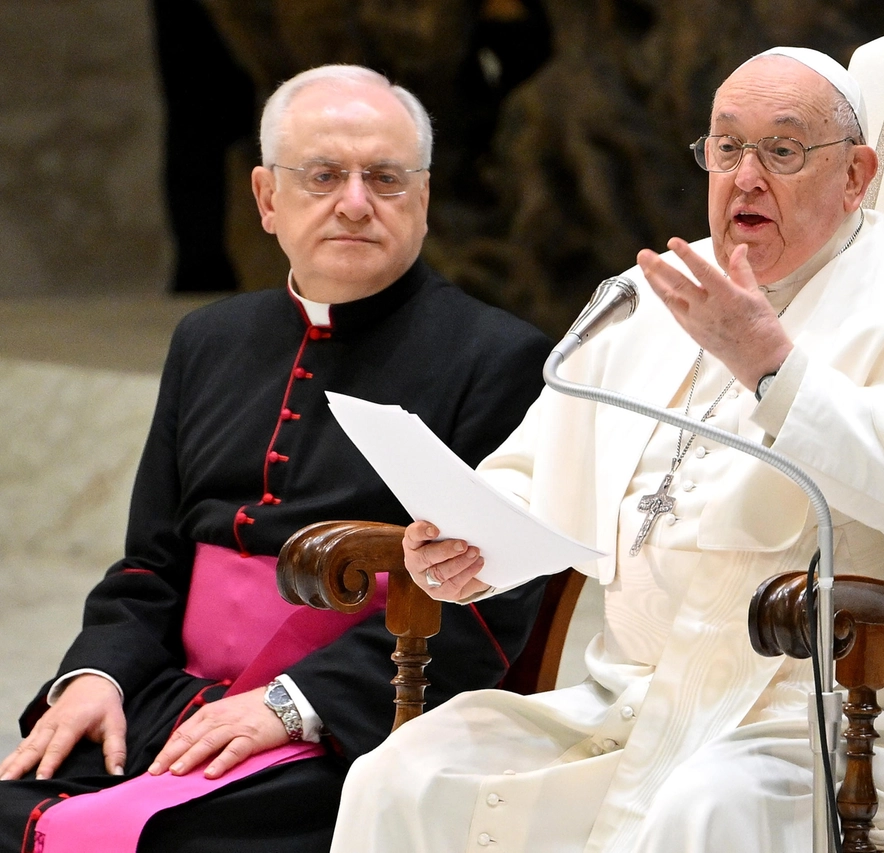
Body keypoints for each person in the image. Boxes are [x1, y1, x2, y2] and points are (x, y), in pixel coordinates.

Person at [331, 47, 884, 852]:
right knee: (399, 775)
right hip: (634, 697)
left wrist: (773, 368)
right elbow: (533, 473)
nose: (746, 177)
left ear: (856, 175)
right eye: (725, 148)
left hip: (841, 711)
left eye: (782, 151)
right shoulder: (649, 293)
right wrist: (467, 547)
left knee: (709, 807)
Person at [0, 65, 552, 853]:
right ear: (266, 197)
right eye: (323, 174)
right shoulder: (208, 341)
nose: (355, 202)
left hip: (354, 722)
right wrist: (99, 675)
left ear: (423, 200)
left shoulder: (496, 358)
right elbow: (150, 564)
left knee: (158, 840)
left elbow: (488, 609)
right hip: (170, 701)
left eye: (386, 178)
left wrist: (289, 704)